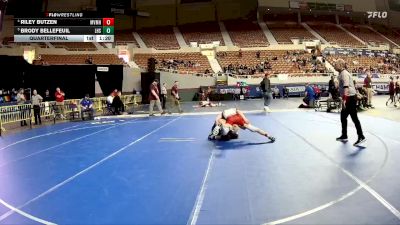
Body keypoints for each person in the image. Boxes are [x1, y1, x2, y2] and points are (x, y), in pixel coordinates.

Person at [334, 59, 365, 146]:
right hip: (348, 97)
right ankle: (344, 135)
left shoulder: (344, 73)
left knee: (354, 118)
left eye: (336, 64)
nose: (334, 65)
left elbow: (346, 87)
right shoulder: (341, 74)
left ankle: (361, 136)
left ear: (340, 65)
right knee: (343, 117)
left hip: (349, 98)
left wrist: (344, 100)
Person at [209, 108, 275, 142]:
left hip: (230, 123)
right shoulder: (227, 118)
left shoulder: (236, 122)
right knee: (226, 134)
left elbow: (256, 129)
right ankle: (214, 135)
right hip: (225, 123)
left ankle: (215, 135)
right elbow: (218, 119)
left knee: (229, 135)